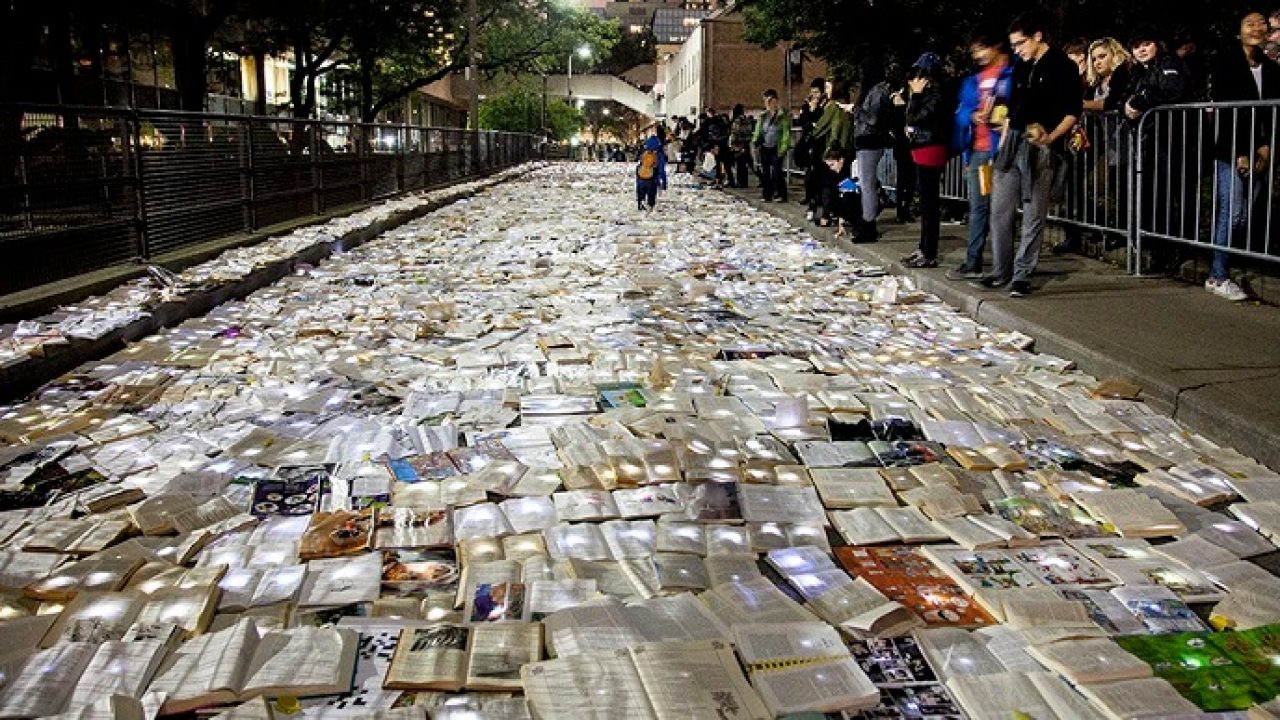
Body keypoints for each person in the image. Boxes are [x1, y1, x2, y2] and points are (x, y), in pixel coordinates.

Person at [979, 11, 1083, 297]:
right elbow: (1013, 111)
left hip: (1042, 143)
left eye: (1021, 43)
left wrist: (1051, 137)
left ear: (1038, 36)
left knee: (1034, 213)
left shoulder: (1062, 66)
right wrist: (1000, 150)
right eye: (1013, 45)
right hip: (1013, 140)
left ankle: (1023, 273)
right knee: (1000, 210)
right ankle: (1002, 269)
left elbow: (1072, 110)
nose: (1017, 50)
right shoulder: (1022, 67)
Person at [1205, 10, 1280, 300]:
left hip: (1261, 149)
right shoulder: (1226, 62)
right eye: (1250, 23)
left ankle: (1227, 268)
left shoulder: (1271, 69)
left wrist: (1266, 146)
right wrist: (1239, 152)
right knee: (1232, 213)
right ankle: (1217, 275)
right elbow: (1227, 112)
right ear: (1239, 30)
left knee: (1247, 214)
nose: (1257, 28)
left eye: (1262, 23)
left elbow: (1270, 113)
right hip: (1230, 150)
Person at [947, 28, 1014, 280]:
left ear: (996, 46)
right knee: (978, 208)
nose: (978, 55)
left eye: (981, 49)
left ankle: (1003, 265)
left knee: (1002, 210)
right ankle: (973, 260)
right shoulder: (972, 81)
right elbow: (962, 112)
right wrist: (973, 116)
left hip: (1003, 150)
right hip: (978, 150)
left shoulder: (1012, 74)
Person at [1122, 25, 1193, 245]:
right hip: (1152, 143)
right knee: (1156, 194)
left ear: (1157, 45)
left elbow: (1172, 91)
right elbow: (1123, 98)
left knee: (1178, 195)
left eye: (1146, 44)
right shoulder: (1137, 71)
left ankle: (1182, 245)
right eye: (1136, 46)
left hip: (1177, 141)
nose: (1141, 49)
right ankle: (1159, 243)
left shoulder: (1170, 63)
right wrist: (1126, 107)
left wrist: (1140, 102)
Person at [901, 52, 954, 268]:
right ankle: (924, 247)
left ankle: (928, 251)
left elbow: (914, 117)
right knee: (925, 203)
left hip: (931, 149)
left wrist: (914, 97)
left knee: (929, 204)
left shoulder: (935, 96)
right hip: (924, 148)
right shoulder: (931, 95)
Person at [851, 69, 894, 243]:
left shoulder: (877, 92)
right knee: (866, 182)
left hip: (870, 141)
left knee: (867, 184)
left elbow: (873, 119)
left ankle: (868, 224)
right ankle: (868, 220)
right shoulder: (878, 91)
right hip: (868, 141)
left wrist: (855, 110)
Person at [753, 89, 792, 202]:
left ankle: (781, 193)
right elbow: (758, 130)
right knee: (765, 171)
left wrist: (784, 146)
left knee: (777, 171)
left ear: (776, 100)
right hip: (765, 146)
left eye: (770, 100)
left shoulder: (782, 116)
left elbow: (786, 132)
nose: (768, 103)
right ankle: (767, 194)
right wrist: (755, 141)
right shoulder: (763, 116)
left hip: (777, 146)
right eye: (766, 101)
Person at [796, 78, 829, 215]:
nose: (814, 95)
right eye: (812, 92)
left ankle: (818, 198)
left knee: (818, 172)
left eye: (817, 92)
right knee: (809, 171)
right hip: (808, 142)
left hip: (820, 143)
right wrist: (809, 110)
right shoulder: (807, 104)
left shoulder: (825, 106)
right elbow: (802, 120)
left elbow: (819, 122)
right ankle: (811, 197)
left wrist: (814, 111)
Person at [635, 124, 668, 211]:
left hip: (641, 179)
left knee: (641, 199)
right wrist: (664, 183)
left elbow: (639, 166)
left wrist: (638, 180)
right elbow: (661, 171)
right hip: (652, 180)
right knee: (650, 201)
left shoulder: (644, 154)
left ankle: (640, 207)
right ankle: (649, 212)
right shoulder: (659, 155)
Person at [729, 104, 755, 188]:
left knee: (740, 164)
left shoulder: (737, 121)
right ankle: (745, 182)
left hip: (738, 144)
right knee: (746, 163)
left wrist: (733, 144)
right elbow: (749, 131)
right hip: (746, 143)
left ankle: (741, 182)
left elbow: (735, 133)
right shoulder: (747, 120)